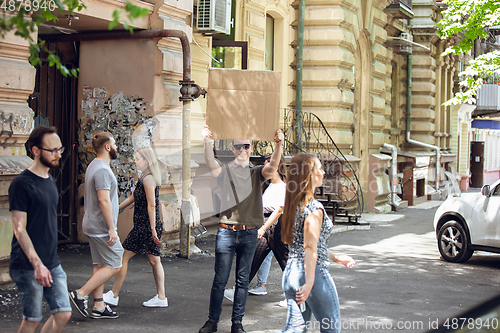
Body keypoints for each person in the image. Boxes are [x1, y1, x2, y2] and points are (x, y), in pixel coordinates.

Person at [198, 125, 284, 333]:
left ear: (251, 147)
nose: (242, 150)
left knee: (243, 281)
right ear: (233, 149)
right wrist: (207, 141)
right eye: (238, 147)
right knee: (220, 280)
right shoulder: (225, 171)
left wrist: (279, 144)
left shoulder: (256, 173)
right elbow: (210, 162)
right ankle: (212, 322)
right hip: (227, 232)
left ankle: (237, 323)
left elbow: (272, 167)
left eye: (246, 146)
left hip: (249, 233)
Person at [278, 153, 355, 333]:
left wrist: (335, 257)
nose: (323, 172)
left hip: (291, 273)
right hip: (312, 273)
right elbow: (309, 247)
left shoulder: (293, 205)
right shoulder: (314, 208)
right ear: (308, 174)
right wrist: (310, 282)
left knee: (294, 330)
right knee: (331, 328)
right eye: (319, 168)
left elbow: (309, 244)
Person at [9, 126, 72, 333]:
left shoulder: (49, 181)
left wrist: (46, 263)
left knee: (63, 313)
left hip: (51, 262)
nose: (58, 155)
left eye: (59, 149)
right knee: (32, 320)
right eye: (52, 150)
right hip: (27, 265)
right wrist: (37, 265)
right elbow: (20, 229)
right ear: (36, 151)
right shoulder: (21, 184)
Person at [102, 147, 167, 308]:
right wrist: (115, 210)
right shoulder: (144, 177)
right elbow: (132, 197)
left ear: (146, 160)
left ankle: (114, 295)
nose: (134, 161)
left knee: (123, 257)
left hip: (145, 227)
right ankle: (161, 297)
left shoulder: (148, 179)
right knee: (154, 261)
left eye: (137, 158)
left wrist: (152, 229)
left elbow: (152, 205)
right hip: (144, 226)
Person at [69, 132, 123, 319]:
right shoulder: (101, 170)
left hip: (92, 224)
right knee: (116, 263)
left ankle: (99, 306)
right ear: (107, 147)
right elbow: (104, 201)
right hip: (101, 227)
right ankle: (80, 294)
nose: (116, 147)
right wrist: (112, 228)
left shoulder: (94, 165)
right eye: (114, 143)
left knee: (100, 264)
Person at [225, 155, 288, 307]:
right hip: (264, 226)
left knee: (286, 261)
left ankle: (295, 297)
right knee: (252, 259)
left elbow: (279, 210)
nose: (266, 170)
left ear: (277, 168)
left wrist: (263, 228)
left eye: (269, 167)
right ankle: (237, 290)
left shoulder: (282, 186)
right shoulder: (268, 186)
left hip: (276, 228)